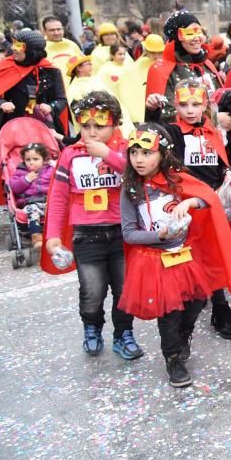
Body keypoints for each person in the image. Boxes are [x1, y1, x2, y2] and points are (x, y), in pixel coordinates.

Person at [118, 123, 231, 387]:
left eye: (146, 153)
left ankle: (184, 334)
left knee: (198, 301)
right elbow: (129, 234)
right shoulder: (130, 189)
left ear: (163, 155)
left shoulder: (177, 180)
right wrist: (160, 236)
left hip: (185, 255)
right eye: (134, 153)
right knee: (169, 312)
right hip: (155, 260)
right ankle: (173, 357)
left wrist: (190, 201)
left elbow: (207, 198)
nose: (139, 160)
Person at [42, 92, 143, 361]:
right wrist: (52, 235)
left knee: (124, 290)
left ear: (116, 123)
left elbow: (138, 178)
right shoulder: (69, 156)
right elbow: (58, 198)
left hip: (122, 232)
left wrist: (108, 155)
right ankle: (92, 327)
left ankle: (123, 333)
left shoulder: (126, 151)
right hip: (86, 235)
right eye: (85, 126)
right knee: (92, 290)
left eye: (99, 126)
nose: (91, 132)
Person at [147, 79, 231, 340]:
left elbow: (225, 160)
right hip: (184, 203)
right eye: (183, 104)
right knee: (192, 257)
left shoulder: (213, 131)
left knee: (214, 256)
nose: (190, 110)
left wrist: (228, 176)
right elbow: (152, 135)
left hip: (210, 203)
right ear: (175, 105)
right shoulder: (173, 132)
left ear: (205, 105)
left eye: (195, 104)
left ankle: (220, 308)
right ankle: (193, 306)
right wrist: (153, 112)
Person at [0, 30, 68, 224]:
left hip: (44, 127)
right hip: (14, 127)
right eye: (14, 45)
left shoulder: (51, 71)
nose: (13, 50)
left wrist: (50, 106)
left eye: (19, 46)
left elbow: (61, 100)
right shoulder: (6, 66)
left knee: (51, 160)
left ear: (31, 51)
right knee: (16, 163)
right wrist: (1, 103)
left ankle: (52, 195)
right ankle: (21, 200)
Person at [145, 11, 227, 125]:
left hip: (219, 137)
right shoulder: (161, 69)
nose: (196, 38)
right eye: (189, 33)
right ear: (176, 37)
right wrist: (214, 118)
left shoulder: (207, 64)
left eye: (198, 31)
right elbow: (166, 115)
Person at [10, 142, 55, 249]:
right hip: (31, 202)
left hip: (49, 200)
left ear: (44, 160)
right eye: (28, 160)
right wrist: (26, 179)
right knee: (33, 212)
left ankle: (56, 234)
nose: (31, 163)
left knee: (56, 209)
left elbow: (59, 184)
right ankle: (36, 237)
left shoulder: (51, 170)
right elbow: (14, 187)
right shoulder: (20, 172)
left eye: (35, 159)